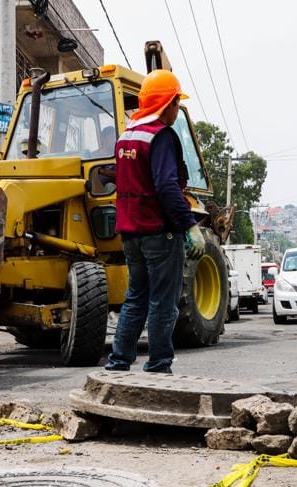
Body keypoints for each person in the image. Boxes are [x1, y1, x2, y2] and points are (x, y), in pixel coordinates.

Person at [103, 69, 205, 374]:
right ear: (168, 104)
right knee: (163, 301)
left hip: (130, 232)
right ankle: (159, 364)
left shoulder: (126, 137)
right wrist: (189, 225)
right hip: (159, 234)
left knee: (135, 297)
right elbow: (166, 186)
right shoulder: (161, 135)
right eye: (176, 103)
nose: (176, 110)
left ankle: (119, 362)